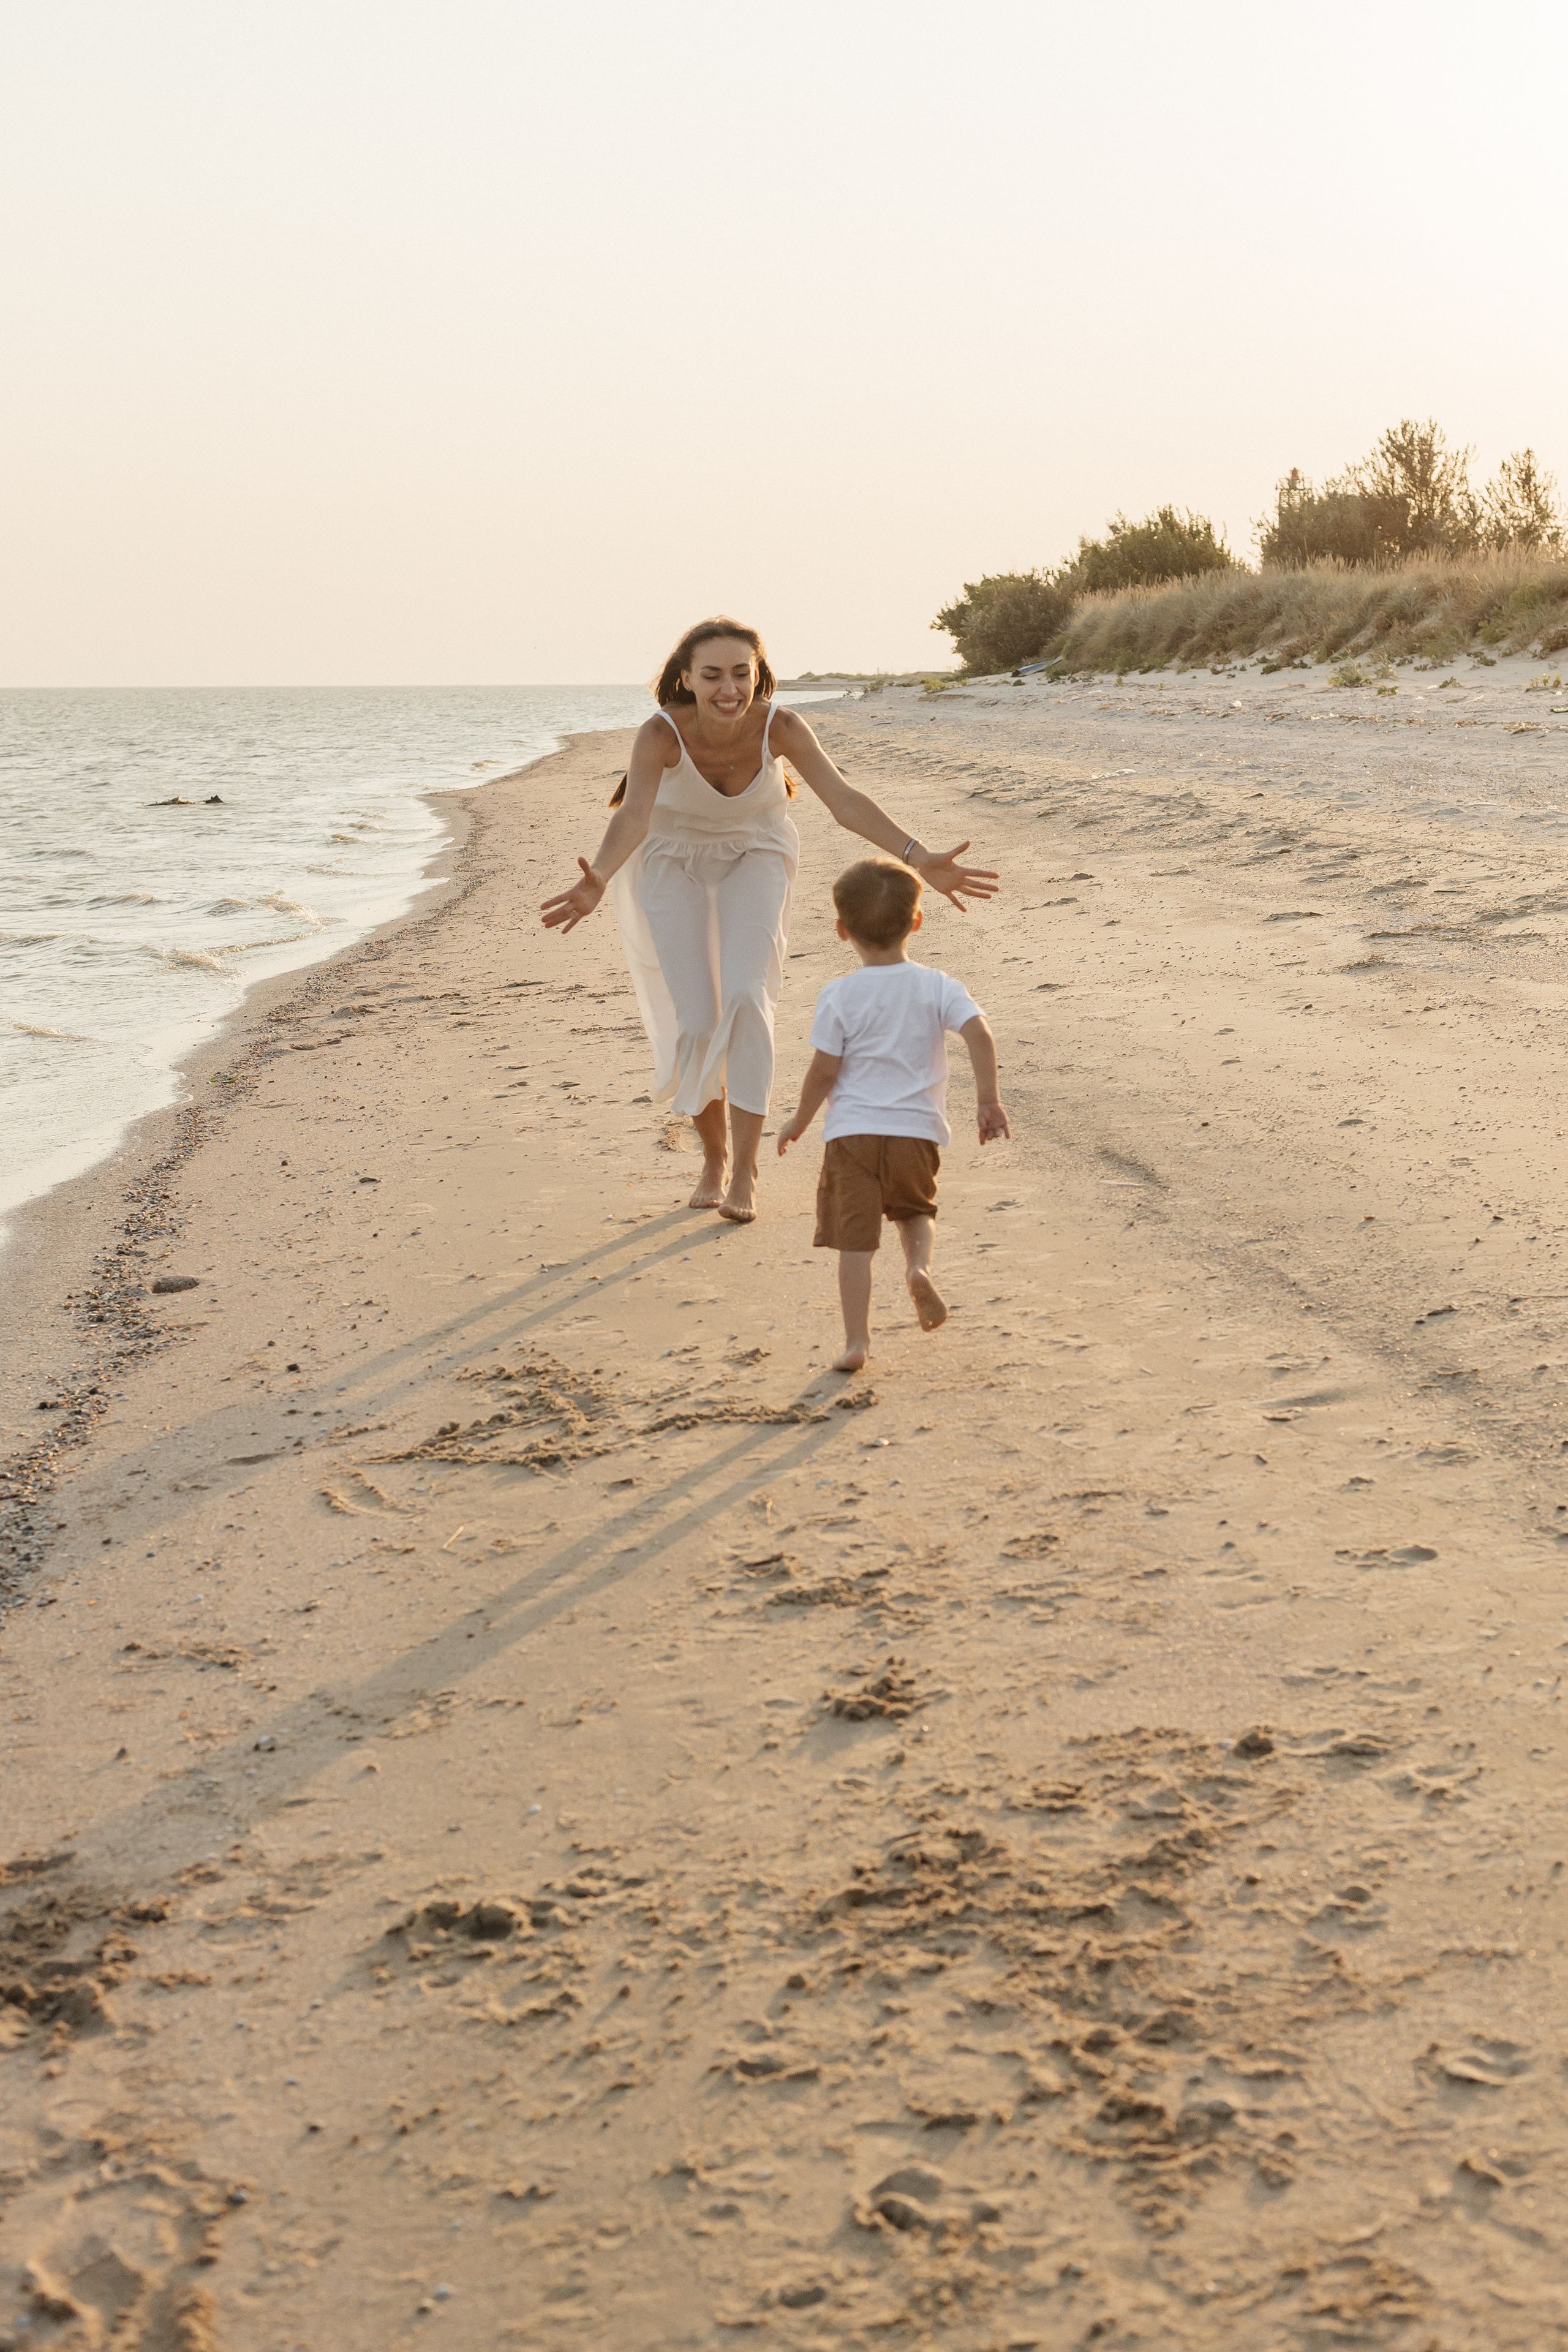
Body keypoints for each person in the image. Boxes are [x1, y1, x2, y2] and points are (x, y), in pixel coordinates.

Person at [539, 618, 999, 1224]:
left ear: (758, 677)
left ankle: (746, 1172)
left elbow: (844, 800)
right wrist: (598, 876)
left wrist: (917, 857)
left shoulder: (779, 726)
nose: (727, 689)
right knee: (697, 1018)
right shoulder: (660, 735)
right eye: (711, 676)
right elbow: (635, 816)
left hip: (754, 853)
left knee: (747, 997)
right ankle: (714, 1157)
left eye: (740, 674)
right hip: (670, 860)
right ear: (686, 679)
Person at [775, 856, 1009, 1372]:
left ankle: (857, 1341)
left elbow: (823, 1071)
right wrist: (988, 1099)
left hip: (852, 1136)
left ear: (842, 931)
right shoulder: (938, 986)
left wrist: (799, 1120)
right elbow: (979, 1033)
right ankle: (918, 1270)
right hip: (916, 1132)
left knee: (853, 1244)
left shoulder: (839, 995)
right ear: (917, 922)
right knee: (915, 1212)